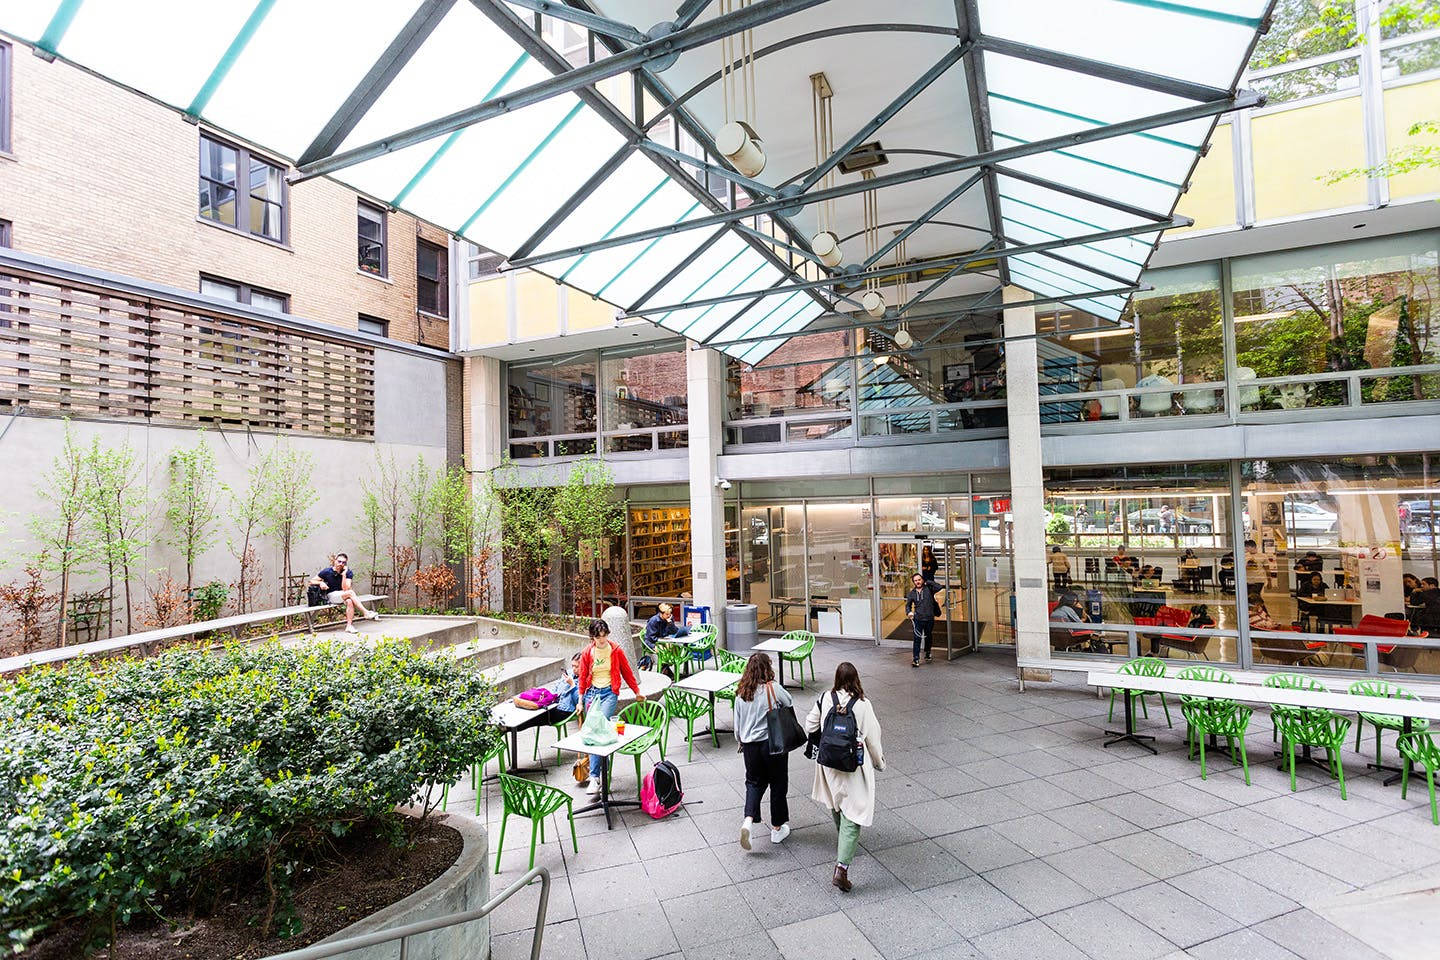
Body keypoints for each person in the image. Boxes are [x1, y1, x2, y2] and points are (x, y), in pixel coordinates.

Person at [804, 662, 884, 893]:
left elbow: (810, 724)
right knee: (855, 811)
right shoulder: (863, 704)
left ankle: (844, 842)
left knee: (836, 802)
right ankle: (842, 868)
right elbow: (873, 739)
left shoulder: (825, 698)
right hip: (853, 765)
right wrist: (879, 762)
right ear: (856, 679)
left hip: (829, 763)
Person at [576, 619, 645, 796]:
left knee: (597, 729)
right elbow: (582, 677)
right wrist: (580, 700)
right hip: (592, 694)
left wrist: (637, 691)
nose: (602, 640)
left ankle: (594, 777)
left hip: (609, 694)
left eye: (604, 636)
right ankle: (603, 771)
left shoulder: (615, 650)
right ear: (592, 637)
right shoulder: (587, 652)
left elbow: (627, 672)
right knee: (597, 733)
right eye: (598, 637)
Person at [733, 653, 793, 850]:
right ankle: (777, 828)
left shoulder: (741, 693)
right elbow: (789, 701)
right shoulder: (772, 688)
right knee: (778, 783)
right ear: (767, 668)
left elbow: (737, 727)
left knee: (753, 783)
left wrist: (741, 740)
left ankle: (748, 821)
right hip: (772, 744)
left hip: (750, 746)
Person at [310, 552, 379, 634]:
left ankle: (349, 626)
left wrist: (344, 575)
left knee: (349, 601)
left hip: (343, 594)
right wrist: (320, 583)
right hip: (331, 596)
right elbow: (311, 581)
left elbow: (345, 589)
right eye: (339, 561)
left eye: (343, 562)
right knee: (351, 593)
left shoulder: (348, 572)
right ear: (335, 561)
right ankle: (365, 612)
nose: (341, 564)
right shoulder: (327, 571)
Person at [904, 572, 944, 667]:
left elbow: (939, 587)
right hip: (918, 619)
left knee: (928, 637)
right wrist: (909, 612)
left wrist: (928, 582)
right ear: (913, 582)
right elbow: (908, 605)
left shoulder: (929, 589)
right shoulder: (912, 593)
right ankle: (916, 659)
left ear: (922, 580)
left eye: (919, 580)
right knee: (917, 639)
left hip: (929, 618)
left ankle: (928, 652)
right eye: (915, 581)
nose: (917, 582)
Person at [641, 602, 689, 670]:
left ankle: (669, 665)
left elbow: (674, 631)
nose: (669, 616)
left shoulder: (669, 618)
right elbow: (651, 637)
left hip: (665, 640)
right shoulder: (653, 621)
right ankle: (664, 667)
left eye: (670, 614)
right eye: (667, 614)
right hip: (652, 642)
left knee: (676, 648)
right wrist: (662, 640)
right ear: (661, 613)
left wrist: (670, 624)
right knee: (664, 650)